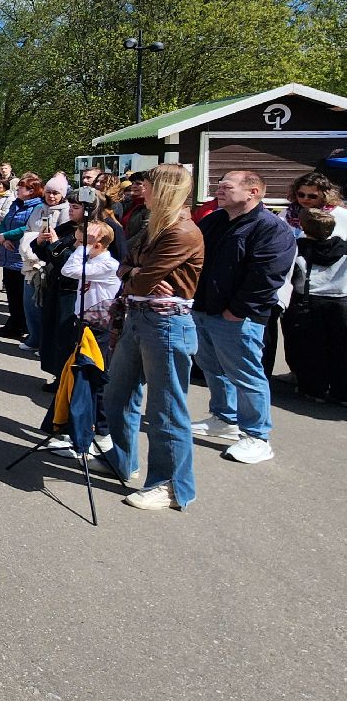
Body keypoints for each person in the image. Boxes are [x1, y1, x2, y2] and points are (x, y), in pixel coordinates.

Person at [98, 163, 204, 511]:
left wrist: (136, 273)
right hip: (137, 318)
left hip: (167, 325)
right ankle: (122, 460)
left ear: (166, 190)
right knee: (118, 394)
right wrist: (137, 272)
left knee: (166, 410)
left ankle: (171, 485)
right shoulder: (151, 226)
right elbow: (123, 265)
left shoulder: (183, 232)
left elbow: (138, 278)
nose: (140, 189)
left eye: (147, 184)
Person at [190, 171, 297, 465]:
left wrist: (237, 311)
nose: (218, 190)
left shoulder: (271, 229)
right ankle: (224, 418)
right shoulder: (214, 220)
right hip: (204, 308)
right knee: (213, 366)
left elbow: (267, 275)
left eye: (227, 186)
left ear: (253, 192)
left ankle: (257, 436)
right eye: (219, 185)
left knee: (246, 374)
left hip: (238, 317)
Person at [43, 221, 122, 458]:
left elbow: (69, 270)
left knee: (90, 383)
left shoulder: (108, 264)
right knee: (76, 381)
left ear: (97, 244)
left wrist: (82, 247)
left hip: (98, 329)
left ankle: (94, 437)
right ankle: (76, 432)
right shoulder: (91, 259)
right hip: (83, 325)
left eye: (82, 241)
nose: (77, 246)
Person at [283, 208, 347, 402]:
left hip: (308, 300)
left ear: (302, 226)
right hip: (341, 299)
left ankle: (313, 389)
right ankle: (342, 392)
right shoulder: (343, 247)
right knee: (341, 347)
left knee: (310, 348)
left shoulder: (297, 247)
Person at [20, 174, 70, 352]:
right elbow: (27, 230)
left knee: (47, 304)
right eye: (48, 192)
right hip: (32, 259)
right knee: (30, 301)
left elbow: (64, 237)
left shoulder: (66, 211)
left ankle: (46, 344)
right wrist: (35, 240)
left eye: (56, 193)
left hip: (52, 262)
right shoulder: (38, 209)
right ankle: (34, 337)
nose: (51, 196)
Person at [0, 174, 44, 339]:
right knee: (12, 292)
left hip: (22, 254)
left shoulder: (37, 207)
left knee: (23, 295)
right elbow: (4, 222)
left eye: (21, 187)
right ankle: (14, 322)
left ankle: (25, 326)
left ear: (31, 191)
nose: (17, 189)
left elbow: (28, 228)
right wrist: (3, 236)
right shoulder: (16, 204)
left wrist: (7, 235)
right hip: (9, 253)